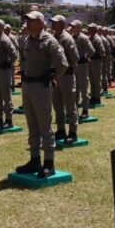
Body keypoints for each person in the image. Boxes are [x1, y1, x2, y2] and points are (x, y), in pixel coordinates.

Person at [15, 11, 68, 178]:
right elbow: (23, 59)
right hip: (28, 85)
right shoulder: (26, 40)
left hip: (41, 86)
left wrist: (52, 76)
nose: (28, 23)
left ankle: (49, 163)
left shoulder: (49, 41)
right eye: (27, 21)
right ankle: (34, 159)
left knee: (45, 126)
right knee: (32, 126)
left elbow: (63, 63)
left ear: (40, 22)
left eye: (31, 20)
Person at [50, 15, 79, 143]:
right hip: (56, 76)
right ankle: (61, 130)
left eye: (55, 23)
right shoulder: (53, 37)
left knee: (70, 105)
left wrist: (66, 68)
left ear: (62, 24)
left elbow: (75, 57)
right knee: (57, 104)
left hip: (66, 76)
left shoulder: (67, 38)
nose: (52, 24)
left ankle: (73, 132)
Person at [70, 20, 95, 118]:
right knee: (74, 89)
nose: (72, 28)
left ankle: (85, 110)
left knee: (83, 89)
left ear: (79, 27)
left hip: (82, 66)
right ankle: (74, 110)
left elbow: (92, 51)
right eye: (71, 26)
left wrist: (86, 57)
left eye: (73, 26)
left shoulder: (84, 38)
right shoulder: (71, 37)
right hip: (74, 65)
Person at [87, 24, 105, 105]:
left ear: (94, 30)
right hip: (91, 61)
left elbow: (102, 51)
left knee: (96, 81)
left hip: (96, 61)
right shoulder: (90, 38)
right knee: (92, 80)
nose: (88, 30)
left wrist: (95, 55)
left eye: (90, 29)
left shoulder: (97, 39)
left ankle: (97, 97)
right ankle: (93, 96)